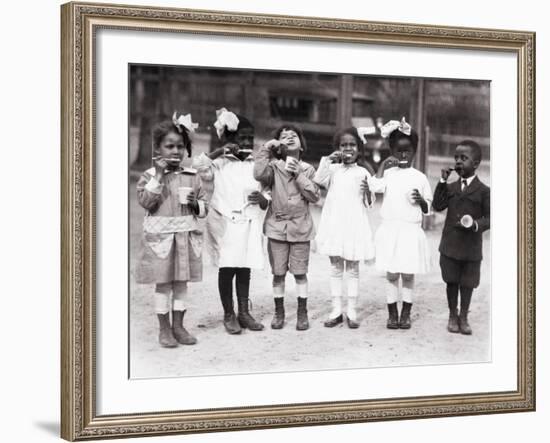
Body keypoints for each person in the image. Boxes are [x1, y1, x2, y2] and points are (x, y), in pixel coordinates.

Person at [193, 108, 268, 335]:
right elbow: (199, 165)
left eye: (249, 138)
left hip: (248, 219)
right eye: (240, 138)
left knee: (244, 266)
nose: (245, 142)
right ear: (229, 139)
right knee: (227, 267)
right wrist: (219, 152)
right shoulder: (219, 164)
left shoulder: (255, 164)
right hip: (224, 220)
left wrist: (262, 198)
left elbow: (267, 191)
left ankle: (244, 312)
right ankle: (229, 313)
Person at [135, 112, 207, 348]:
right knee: (163, 284)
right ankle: (164, 329)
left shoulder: (192, 177)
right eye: (169, 146)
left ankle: (179, 326)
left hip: (185, 238)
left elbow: (204, 207)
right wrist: (158, 174)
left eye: (180, 146)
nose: (175, 151)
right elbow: (146, 202)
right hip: (162, 241)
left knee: (181, 284)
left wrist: (196, 204)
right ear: (158, 147)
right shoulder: (149, 176)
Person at [364, 117, 432, 329]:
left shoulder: (419, 177)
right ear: (392, 150)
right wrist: (383, 166)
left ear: (414, 151)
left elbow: (428, 207)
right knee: (392, 273)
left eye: (408, 151)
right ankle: (392, 313)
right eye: (399, 151)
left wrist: (420, 201)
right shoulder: (390, 174)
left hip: (410, 231)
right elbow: (374, 186)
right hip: (391, 230)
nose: (403, 155)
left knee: (408, 273)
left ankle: (406, 314)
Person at [253, 124, 320, 330]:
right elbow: (258, 174)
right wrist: (266, 148)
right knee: (278, 273)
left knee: (300, 273)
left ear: (302, 145)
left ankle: (302, 312)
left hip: (301, 227)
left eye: (294, 136)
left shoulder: (308, 169)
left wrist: (298, 174)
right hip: (276, 227)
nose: (289, 138)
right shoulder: (272, 167)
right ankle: (279, 311)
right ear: (279, 146)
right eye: (284, 136)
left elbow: (314, 195)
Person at [314, 127, 375, 328]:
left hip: (354, 224)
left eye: (352, 145)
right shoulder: (332, 170)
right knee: (336, 267)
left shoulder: (363, 172)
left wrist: (368, 192)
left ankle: (352, 310)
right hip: (335, 223)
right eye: (343, 145)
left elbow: (370, 202)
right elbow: (318, 181)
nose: (348, 148)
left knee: (353, 268)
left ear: (359, 148)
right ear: (338, 148)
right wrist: (328, 160)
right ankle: (336, 309)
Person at [432, 140, 490, 335]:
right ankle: (452, 314)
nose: (458, 162)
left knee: (467, 283)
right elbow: (438, 206)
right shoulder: (451, 187)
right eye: (456, 158)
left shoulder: (484, 191)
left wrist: (475, 224)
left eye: (463, 159)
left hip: (471, 247)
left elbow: (491, 218)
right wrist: (442, 181)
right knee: (451, 281)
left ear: (476, 163)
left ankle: (464, 316)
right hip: (450, 245)